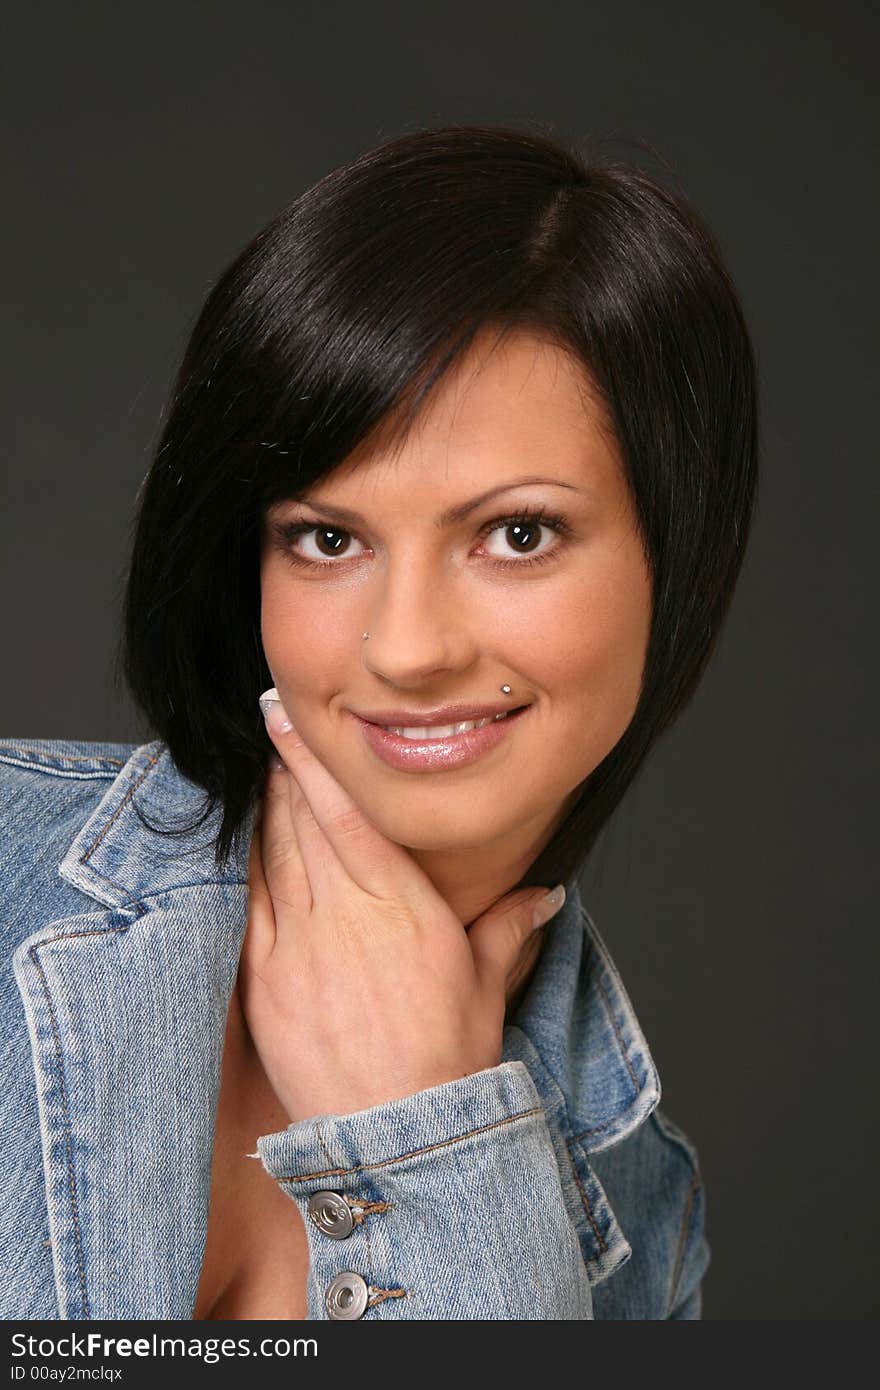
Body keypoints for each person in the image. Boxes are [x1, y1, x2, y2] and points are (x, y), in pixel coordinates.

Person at [0, 123, 758, 1321]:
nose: (407, 648)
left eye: (516, 533)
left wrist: (432, 1144)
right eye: (328, 538)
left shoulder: (636, 1215)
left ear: (681, 552)